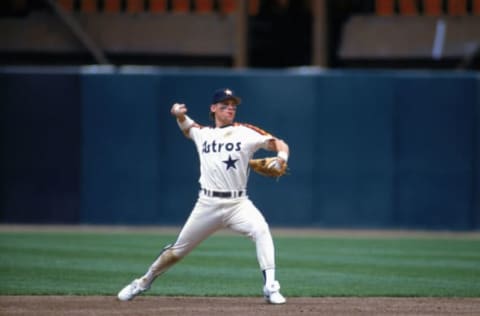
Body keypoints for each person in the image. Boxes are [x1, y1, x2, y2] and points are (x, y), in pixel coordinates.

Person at [117, 88, 290, 304]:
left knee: (261, 230)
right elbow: (188, 128)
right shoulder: (203, 133)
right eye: (225, 104)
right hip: (207, 204)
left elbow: (281, 143)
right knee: (176, 251)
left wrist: (281, 157)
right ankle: (142, 282)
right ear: (213, 108)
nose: (230, 108)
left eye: (233, 105)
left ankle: (271, 287)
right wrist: (179, 114)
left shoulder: (246, 132)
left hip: (238, 204)